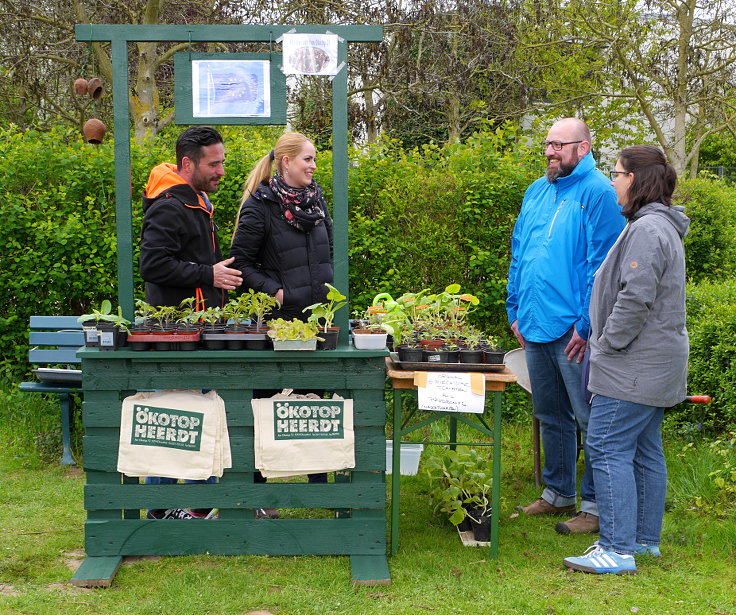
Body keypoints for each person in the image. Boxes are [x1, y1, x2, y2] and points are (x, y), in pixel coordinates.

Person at [564, 146, 688, 574]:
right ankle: (643, 540)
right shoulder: (651, 225)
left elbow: (635, 296)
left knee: (606, 444)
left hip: (634, 365)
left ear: (634, 178)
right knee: (644, 449)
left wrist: (607, 343)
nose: (612, 181)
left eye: (616, 173)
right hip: (652, 364)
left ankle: (616, 548)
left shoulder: (648, 230)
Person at [507, 118, 625, 535]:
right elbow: (520, 251)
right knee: (549, 413)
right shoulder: (537, 191)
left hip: (575, 330)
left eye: (559, 145)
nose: (550, 152)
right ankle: (557, 493)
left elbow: (604, 264)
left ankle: (594, 506)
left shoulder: (598, 193)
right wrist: (514, 308)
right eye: (547, 144)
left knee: (588, 417)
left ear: (584, 147)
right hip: (535, 322)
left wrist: (587, 323)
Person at [139, 125, 242, 520]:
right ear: (187, 163)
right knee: (172, 421)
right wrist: (208, 275)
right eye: (213, 164)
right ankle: (161, 510)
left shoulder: (196, 201)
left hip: (200, 330)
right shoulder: (169, 205)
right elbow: (153, 265)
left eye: (222, 162)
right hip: (174, 333)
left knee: (199, 417)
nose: (221, 171)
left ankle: (195, 507)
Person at [230, 131, 333, 493]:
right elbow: (239, 264)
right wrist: (275, 291)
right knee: (265, 404)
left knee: (315, 407)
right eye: (308, 159)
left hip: (316, 321)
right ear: (286, 161)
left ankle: (318, 487)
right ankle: (259, 489)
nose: (314, 165)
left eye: (315, 158)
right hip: (276, 325)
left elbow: (327, 251)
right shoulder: (260, 206)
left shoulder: (316, 201)